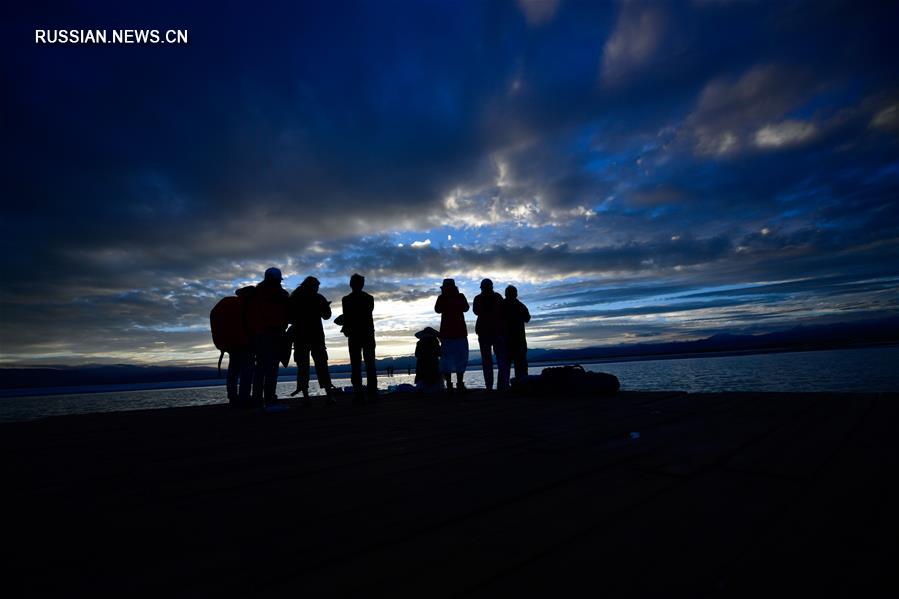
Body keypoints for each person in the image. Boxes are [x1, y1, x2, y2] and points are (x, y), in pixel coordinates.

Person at [289, 276, 336, 404]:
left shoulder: (295, 298)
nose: (317, 289)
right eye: (316, 287)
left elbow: (289, 318)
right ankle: (329, 396)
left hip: (301, 338)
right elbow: (327, 316)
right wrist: (324, 307)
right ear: (312, 286)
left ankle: (306, 398)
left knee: (303, 368)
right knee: (322, 366)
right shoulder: (318, 298)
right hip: (315, 338)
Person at [248, 267, 289, 407]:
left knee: (260, 368)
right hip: (274, 334)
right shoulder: (283, 295)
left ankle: (257, 398)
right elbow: (288, 315)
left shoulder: (255, 293)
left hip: (259, 335)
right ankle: (269, 398)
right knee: (271, 368)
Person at [341, 273, 377, 403]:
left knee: (356, 365)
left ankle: (358, 393)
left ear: (351, 284)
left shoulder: (346, 300)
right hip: (367, 333)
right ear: (362, 284)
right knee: (370, 364)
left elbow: (347, 316)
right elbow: (367, 313)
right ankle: (372, 393)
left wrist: (346, 326)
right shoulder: (369, 298)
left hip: (355, 335)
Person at [473, 278, 509, 391]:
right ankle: (498, 386)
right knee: (498, 360)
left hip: (490, 332)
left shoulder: (479, 298)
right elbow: (503, 312)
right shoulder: (496, 297)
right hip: (493, 332)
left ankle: (492, 386)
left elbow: (476, 311)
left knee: (489, 360)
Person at [435, 278, 469, 394]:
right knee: (458, 358)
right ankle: (456, 384)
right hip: (456, 334)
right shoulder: (458, 297)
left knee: (449, 359)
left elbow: (437, 310)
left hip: (450, 334)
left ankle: (452, 385)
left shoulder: (445, 297)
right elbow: (466, 308)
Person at [504, 285, 531, 382]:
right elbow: (527, 318)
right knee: (520, 364)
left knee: (506, 366)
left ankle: (505, 386)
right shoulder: (520, 305)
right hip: (516, 340)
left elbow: (527, 318)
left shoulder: (502, 305)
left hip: (508, 340)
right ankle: (522, 385)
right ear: (516, 294)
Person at [414, 326, 443, 393]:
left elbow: (416, 354)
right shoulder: (434, 341)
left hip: (421, 366)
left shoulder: (419, 342)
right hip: (433, 364)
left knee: (422, 382)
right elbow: (439, 353)